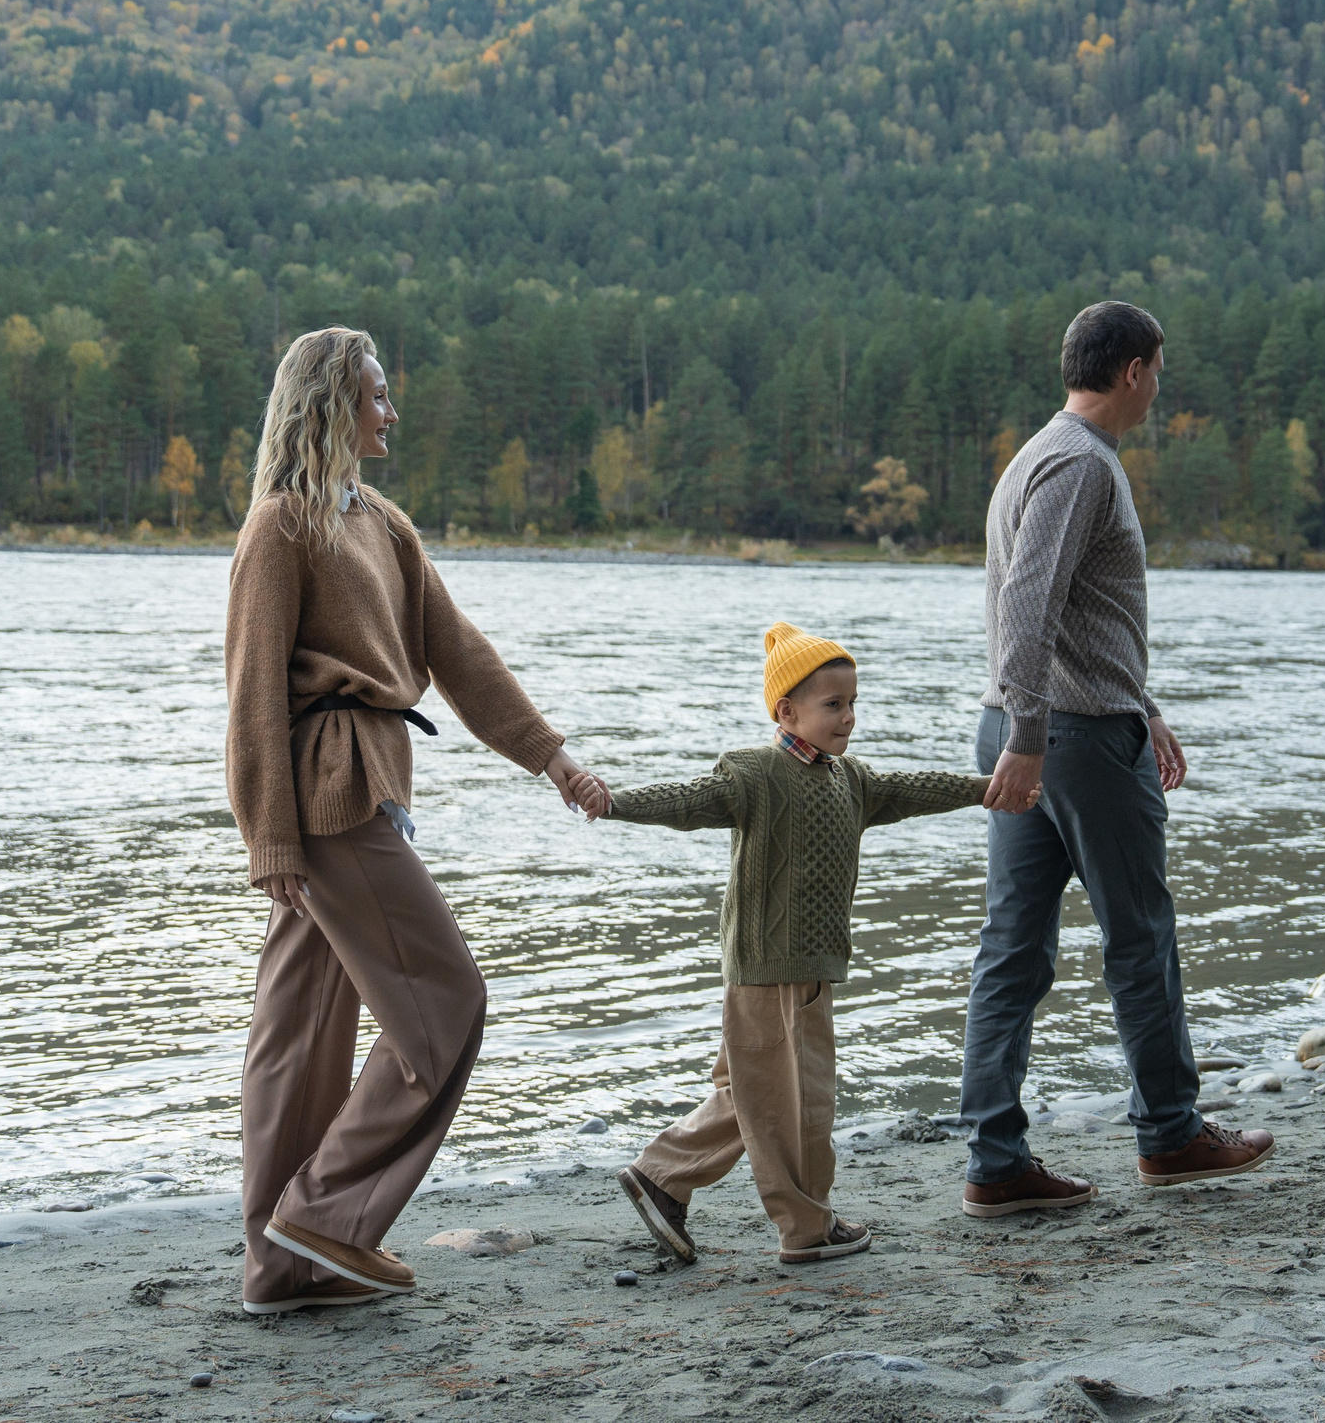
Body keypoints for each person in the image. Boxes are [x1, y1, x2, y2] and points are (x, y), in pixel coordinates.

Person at [224, 326, 609, 1316]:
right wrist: (266, 835)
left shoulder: (380, 522)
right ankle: (327, 1215)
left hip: (369, 786)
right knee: (444, 1007)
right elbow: (251, 692)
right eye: (377, 394)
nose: (390, 411)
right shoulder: (282, 527)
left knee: (302, 1037)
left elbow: (458, 652)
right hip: (328, 799)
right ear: (329, 403)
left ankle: (282, 1270)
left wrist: (550, 755)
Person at [965, 299, 1273, 1205]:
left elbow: (1076, 616)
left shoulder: (1040, 453)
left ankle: (996, 1162)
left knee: (1012, 949)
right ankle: (1171, 1135)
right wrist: (1032, 738)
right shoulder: (1080, 466)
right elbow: (1027, 612)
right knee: (1138, 936)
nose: (1159, 389)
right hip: (1072, 742)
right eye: (1159, 372)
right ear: (1133, 370)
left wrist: (1144, 703)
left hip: (1049, 726)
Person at [606, 624, 993, 1265]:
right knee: (799, 1103)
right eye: (833, 705)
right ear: (787, 711)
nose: (848, 717)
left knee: (754, 1091)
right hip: (771, 966)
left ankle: (661, 1176)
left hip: (806, 965)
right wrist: (615, 802)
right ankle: (806, 1228)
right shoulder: (755, 774)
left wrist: (984, 790)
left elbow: (914, 787)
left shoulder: (852, 780)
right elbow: (687, 800)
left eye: (852, 703)